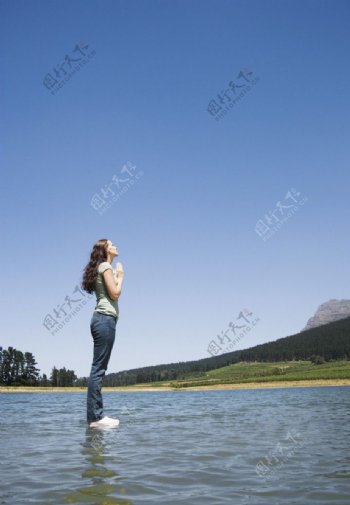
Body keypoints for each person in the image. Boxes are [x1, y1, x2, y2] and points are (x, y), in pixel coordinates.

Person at [81, 238, 124, 427]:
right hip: (104, 319)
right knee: (98, 369)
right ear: (105, 250)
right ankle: (96, 418)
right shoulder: (106, 266)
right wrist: (121, 276)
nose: (115, 245)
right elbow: (115, 293)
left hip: (104, 320)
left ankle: (95, 417)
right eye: (111, 244)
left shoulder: (106, 267)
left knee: (98, 368)